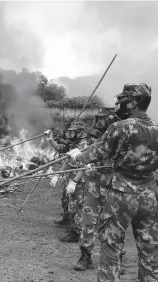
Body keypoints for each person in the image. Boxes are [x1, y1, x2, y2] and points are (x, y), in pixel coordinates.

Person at [66, 83, 158, 281]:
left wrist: (79, 156)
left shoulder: (120, 127)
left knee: (111, 246)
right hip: (149, 196)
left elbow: (100, 151)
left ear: (133, 102)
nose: (120, 104)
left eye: (123, 100)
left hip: (121, 195)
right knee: (150, 249)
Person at [74, 107, 122, 271]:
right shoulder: (98, 136)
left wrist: (83, 157)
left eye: (100, 118)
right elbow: (93, 153)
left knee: (113, 224)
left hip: (114, 183)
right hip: (95, 183)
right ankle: (85, 257)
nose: (97, 122)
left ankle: (116, 260)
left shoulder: (120, 134)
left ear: (108, 119)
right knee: (88, 221)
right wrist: (88, 164)